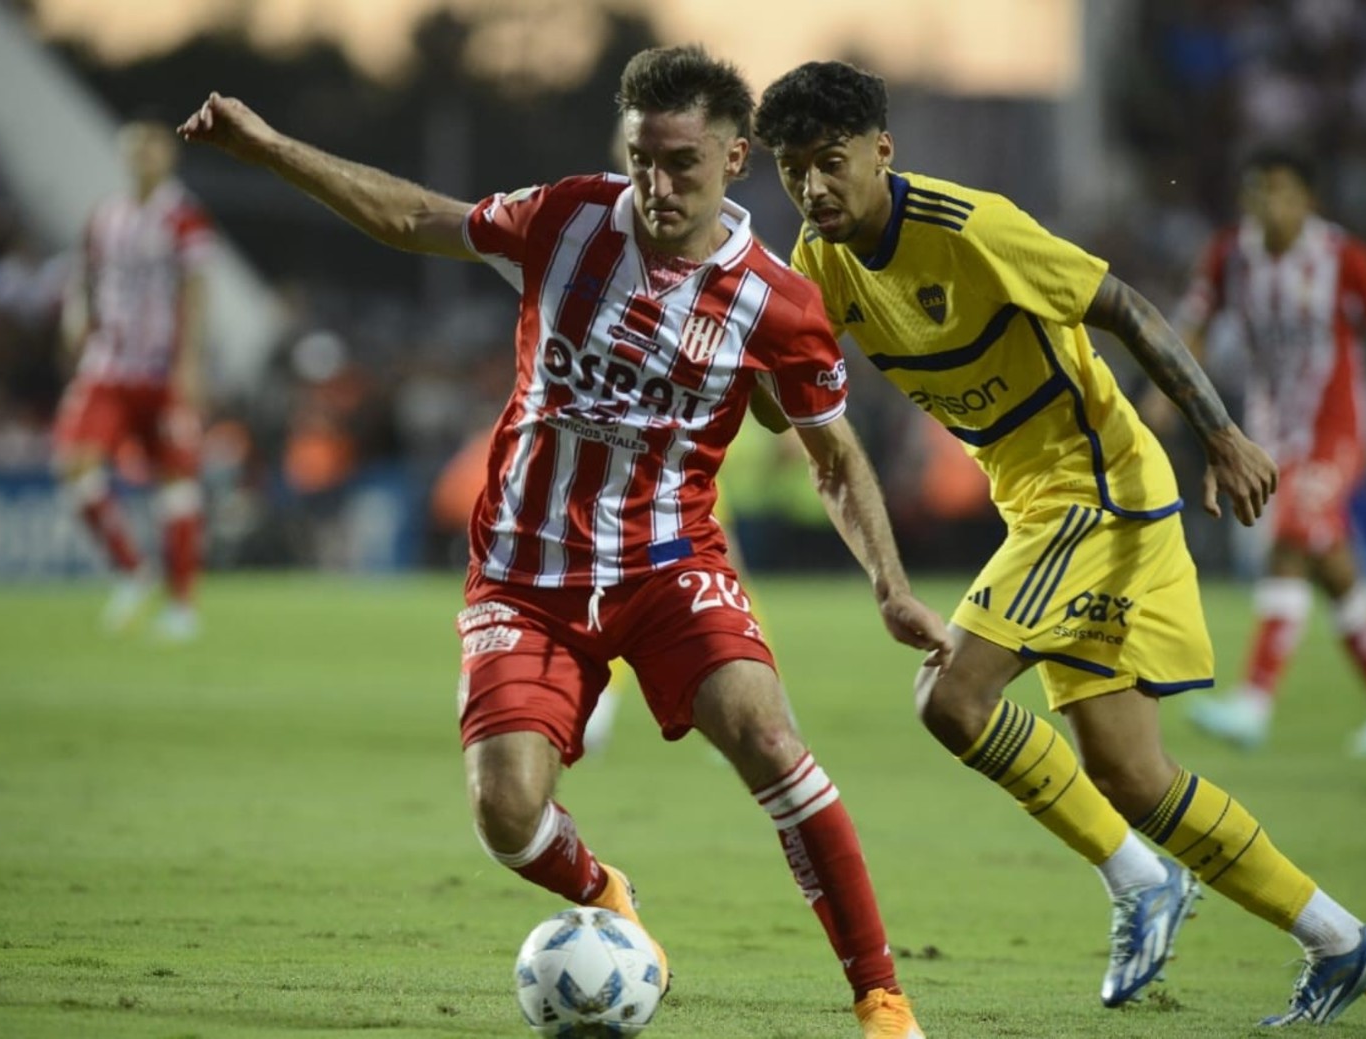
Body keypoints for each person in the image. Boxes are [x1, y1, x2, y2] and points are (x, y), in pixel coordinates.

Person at [180, 45, 951, 1039]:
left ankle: (881, 1000)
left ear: (733, 161)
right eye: (641, 160)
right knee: (505, 812)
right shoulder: (565, 218)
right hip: (522, 574)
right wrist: (272, 147)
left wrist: (888, 586)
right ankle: (604, 891)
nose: (656, 186)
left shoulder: (778, 301)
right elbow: (416, 218)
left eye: (680, 163)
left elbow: (834, 458)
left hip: (669, 564)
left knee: (767, 736)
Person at [754, 60, 1366, 1027]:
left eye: (830, 162)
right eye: (792, 169)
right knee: (1130, 773)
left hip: (1094, 492)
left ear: (882, 150)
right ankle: (1339, 939)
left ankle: (1141, 883)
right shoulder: (818, 259)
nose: (811, 188)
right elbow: (781, 405)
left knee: (950, 695)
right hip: (1042, 505)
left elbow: (1125, 307)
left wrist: (1217, 430)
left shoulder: (972, 228)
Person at [1171, 148, 1366, 758]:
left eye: (1281, 191)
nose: (1267, 203)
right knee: (1330, 562)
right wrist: (1170, 395)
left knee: (1291, 537)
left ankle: (1254, 704)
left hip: (1337, 427)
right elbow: (1191, 330)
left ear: (1308, 200)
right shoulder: (1231, 257)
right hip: (1269, 433)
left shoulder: (1344, 260)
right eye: (1257, 191)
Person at [55, 120, 209, 641]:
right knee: (74, 463)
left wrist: (190, 362)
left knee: (177, 484)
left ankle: (182, 608)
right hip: (109, 366)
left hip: (161, 371)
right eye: (136, 147)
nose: (144, 156)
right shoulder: (106, 217)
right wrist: (76, 318)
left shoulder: (183, 217)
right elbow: (86, 277)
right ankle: (132, 570)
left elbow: (196, 287)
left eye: (153, 147)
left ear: (168, 156)